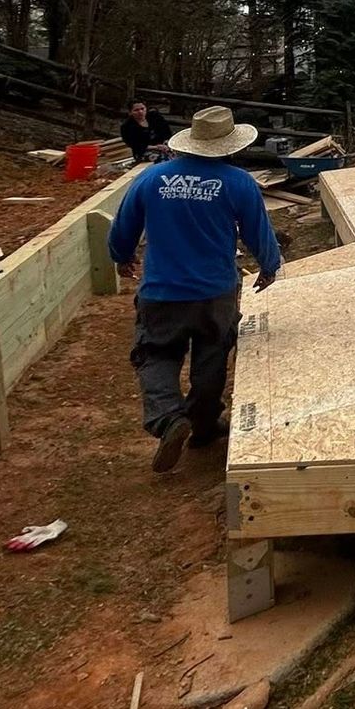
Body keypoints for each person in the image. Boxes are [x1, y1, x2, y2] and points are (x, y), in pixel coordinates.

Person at [107, 105, 282, 472]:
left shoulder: (152, 179)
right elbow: (258, 230)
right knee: (212, 356)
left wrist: (121, 255)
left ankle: (170, 418)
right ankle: (203, 425)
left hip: (162, 290)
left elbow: (124, 225)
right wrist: (268, 266)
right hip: (216, 291)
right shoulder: (239, 182)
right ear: (231, 146)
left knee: (155, 354)